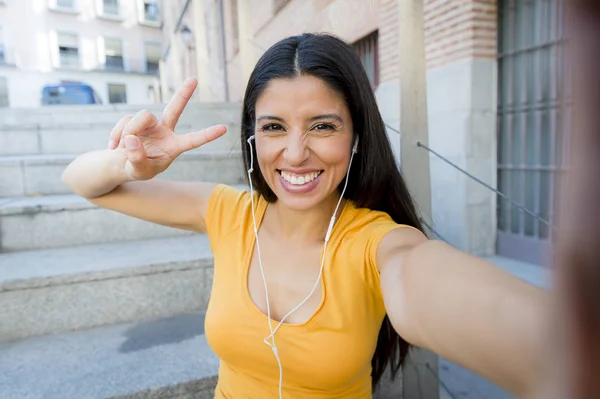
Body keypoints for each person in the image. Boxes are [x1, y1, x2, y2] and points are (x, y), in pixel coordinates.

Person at [62, 33, 548, 399]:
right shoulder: (229, 213)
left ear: (357, 136)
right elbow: (82, 182)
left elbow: (430, 283)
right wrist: (126, 164)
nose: (295, 153)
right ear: (253, 138)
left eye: (322, 125)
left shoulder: (377, 244)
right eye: (274, 127)